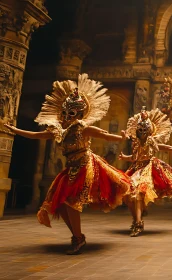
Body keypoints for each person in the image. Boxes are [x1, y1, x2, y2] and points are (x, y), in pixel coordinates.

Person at [4, 74, 130, 254]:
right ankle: (77, 236)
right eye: (64, 113)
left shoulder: (83, 128)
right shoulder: (59, 132)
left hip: (86, 166)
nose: (66, 116)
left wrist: (121, 137)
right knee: (60, 203)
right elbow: (35, 135)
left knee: (71, 202)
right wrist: (14, 130)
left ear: (79, 114)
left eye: (71, 113)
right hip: (70, 168)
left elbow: (106, 135)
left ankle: (77, 238)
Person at [119, 107, 172, 237]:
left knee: (138, 194)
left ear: (150, 130)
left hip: (148, 169)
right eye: (140, 130)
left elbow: (166, 147)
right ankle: (136, 219)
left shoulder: (151, 141)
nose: (142, 132)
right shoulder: (135, 143)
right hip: (136, 169)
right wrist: (125, 158)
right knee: (127, 196)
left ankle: (138, 222)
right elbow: (135, 157)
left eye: (145, 130)